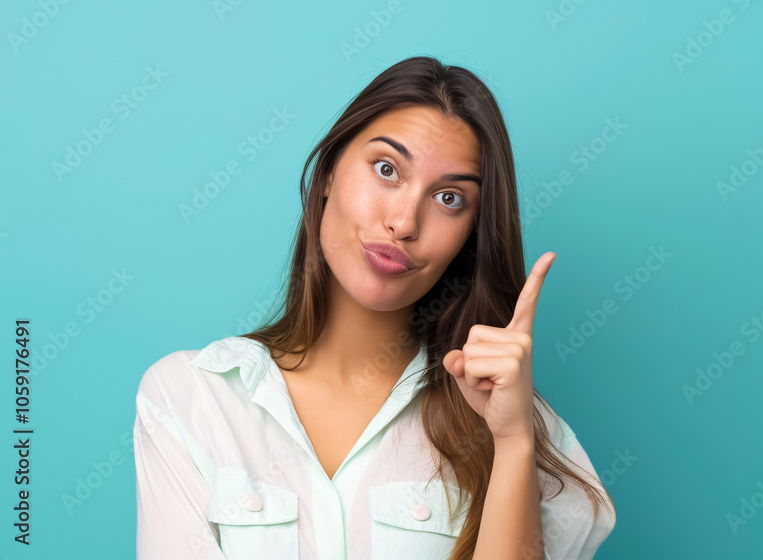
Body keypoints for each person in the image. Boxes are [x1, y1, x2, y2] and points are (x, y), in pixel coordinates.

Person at [133, 55, 616, 560]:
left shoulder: (516, 423)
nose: (405, 222)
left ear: (470, 235)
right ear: (328, 173)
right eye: (387, 170)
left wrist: (513, 441)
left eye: (449, 198)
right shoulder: (190, 398)